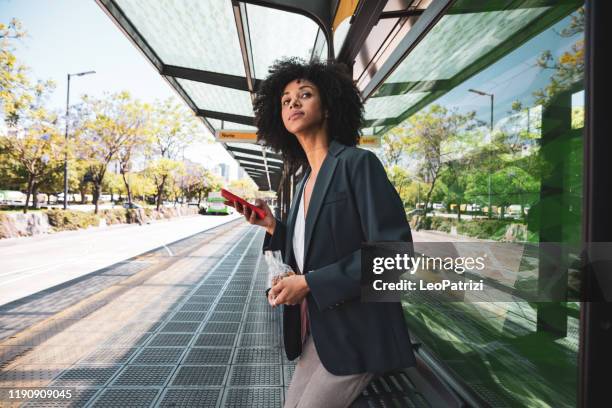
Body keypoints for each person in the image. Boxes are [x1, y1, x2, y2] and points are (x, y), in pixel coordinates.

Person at [228, 57, 416, 408]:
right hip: (322, 331)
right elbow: (314, 248)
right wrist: (272, 225)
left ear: (328, 107)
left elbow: (395, 255)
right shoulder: (304, 182)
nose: (293, 103)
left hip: (360, 335)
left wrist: (310, 283)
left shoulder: (357, 164)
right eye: (285, 100)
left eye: (305, 94)